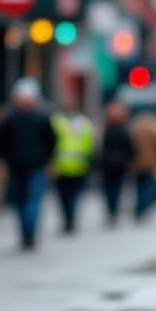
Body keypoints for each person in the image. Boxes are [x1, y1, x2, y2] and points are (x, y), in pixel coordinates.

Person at [0, 77, 55, 249]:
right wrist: (48, 159)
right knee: (32, 199)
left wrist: (2, 159)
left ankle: (26, 233)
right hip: (34, 164)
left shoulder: (9, 117)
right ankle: (29, 232)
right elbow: (51, 141)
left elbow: (0, 142)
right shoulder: (42, 116)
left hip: (17, 164)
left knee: (21, 200)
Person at [50, 97, 94, 233]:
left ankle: (69, 220)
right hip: (75, 165)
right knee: (72, 196)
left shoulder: (56, 122)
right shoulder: (85, 123)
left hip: (63, 165)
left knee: (65, 196)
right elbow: (90, 145)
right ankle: (70, 219)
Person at [99, 100, 135, 224]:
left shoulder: (106, 130)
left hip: (108, 165)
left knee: (109, 189)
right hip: (119, 165)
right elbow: (130, 147)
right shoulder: (124, 130)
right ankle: (113, 211)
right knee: (117, 189)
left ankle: (111, 210)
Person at [129, 110, 156, 219]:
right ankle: (145, 205)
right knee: (148, 185)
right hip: (150, 163)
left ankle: (139, 207)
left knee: (139, 186)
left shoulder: (135, 129)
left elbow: (129, 145)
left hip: (137, 163)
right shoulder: (154, 128)